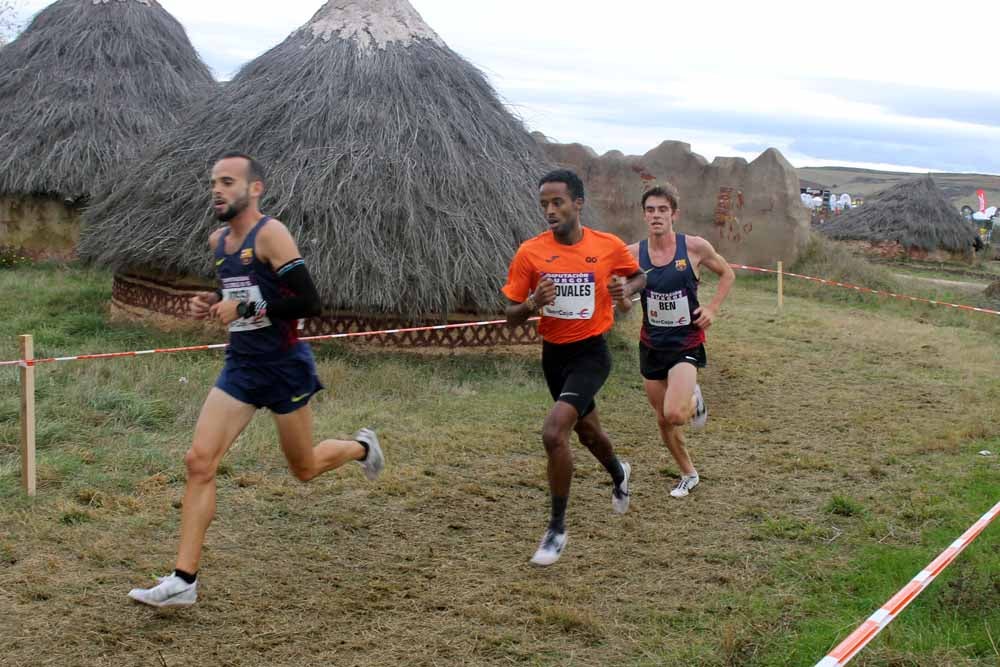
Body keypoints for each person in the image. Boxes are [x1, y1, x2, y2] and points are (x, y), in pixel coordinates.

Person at [127, 152, 384, 607]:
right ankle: (183, 579)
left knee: (304, 469)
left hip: (284, 367)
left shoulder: (273, 234)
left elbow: (309, 302)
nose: (217, 190)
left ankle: (362, 448)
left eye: (228, 181)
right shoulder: (219, 242)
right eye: (213, 182)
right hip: (241, 367)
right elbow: (240, 291)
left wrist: (245, 309)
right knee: (199, 461)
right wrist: (211, 302)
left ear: (255, 189)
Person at [503, 169, 646, 566]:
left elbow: (639, 277)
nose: (549, 211)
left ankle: (556, 529)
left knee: (554, 433)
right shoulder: (530, 252)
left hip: (591, 353)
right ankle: (619, 473)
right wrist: (532, 303)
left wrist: (625, 290)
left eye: (557, 202)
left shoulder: (607, 245)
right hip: (554, 355)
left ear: (578, 204)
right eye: (544, 204)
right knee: (589, 434)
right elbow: (510, 316)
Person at [621, 183, 734, 499]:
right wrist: (622, 299)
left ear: (674, 214)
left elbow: (728, 274)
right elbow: (623, 295)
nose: (656, 215)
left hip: (685, 344)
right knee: (663, 420)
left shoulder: (695, 247)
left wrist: (711, 307)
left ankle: (694, 399)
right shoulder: (632, 254)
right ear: (644, 215)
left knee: (674, 413)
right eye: (650, 210)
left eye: (662, 210)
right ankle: (688, 473)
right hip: (651, 345)